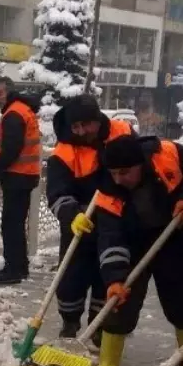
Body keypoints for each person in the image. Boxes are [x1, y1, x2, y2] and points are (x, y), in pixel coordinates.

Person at [71, 134, 183, 366]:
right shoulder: (108, 188)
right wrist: (115, 278)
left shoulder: (167, 154)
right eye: (113, 173)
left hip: (175, 234)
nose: (118, 179)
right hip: (132, 242)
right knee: (119, 300)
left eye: (124, 172)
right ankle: (108, 362)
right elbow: (111, 236)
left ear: (141, 164)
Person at [45, 96, 135, 338]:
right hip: (80, 222)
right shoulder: (64, 152)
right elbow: (56, 193)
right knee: (71, 277)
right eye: (75, 127)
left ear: (98, 119)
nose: (81, 131)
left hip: (115, 218)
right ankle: (70, 325)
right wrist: (72, 215)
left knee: (106, 274)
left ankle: (98, 329)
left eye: (86, 124)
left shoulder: (122, 133)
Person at [0, 77, 42, 285]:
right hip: (26, 175)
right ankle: (20, 266)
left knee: (11, 224)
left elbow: (11, 151)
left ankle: (13, 270)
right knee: (16, 223)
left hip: (18, 176)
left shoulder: (14, 114)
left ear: (9, 91)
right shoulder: (22, 109)